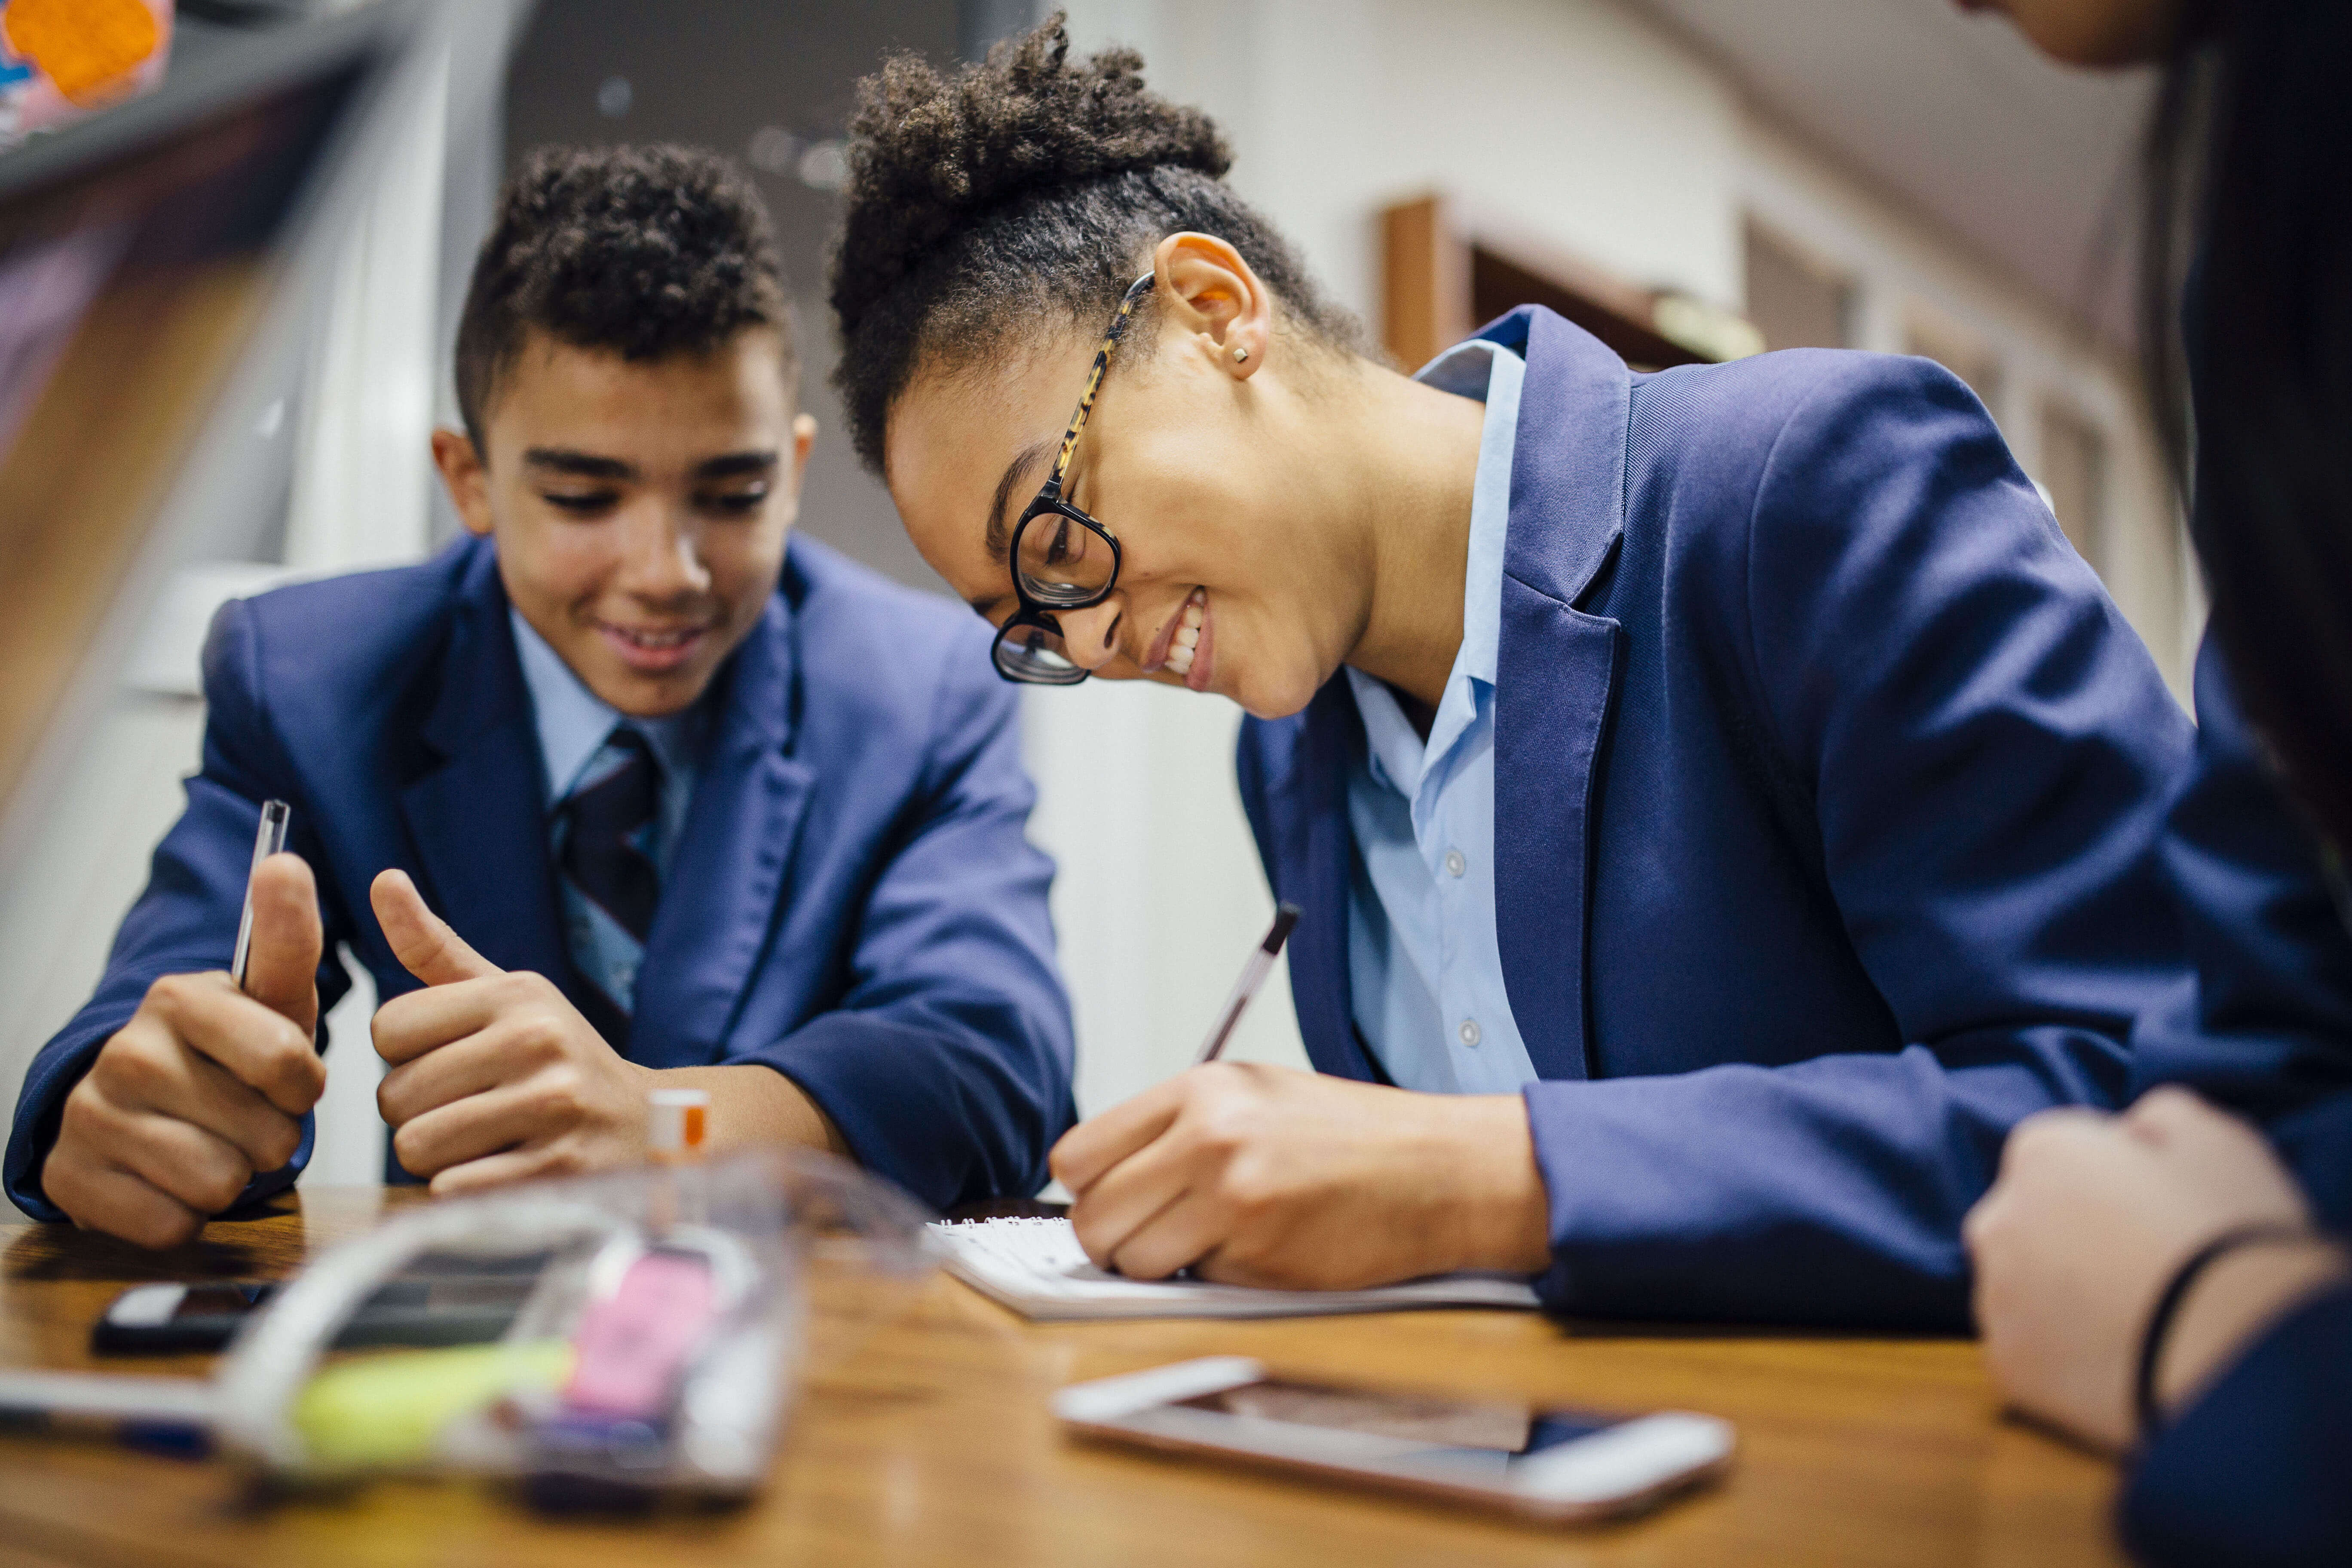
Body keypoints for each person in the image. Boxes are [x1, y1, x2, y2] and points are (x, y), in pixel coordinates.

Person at [826, 18, 2195, 1327]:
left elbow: (2151, 1096)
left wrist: (1490, 1177)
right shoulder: (1289, 752)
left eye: (1055, 542)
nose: (1087, 643)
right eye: (1025, 626)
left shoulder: (1809, 486)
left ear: (1209, 308)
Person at [4, 145, 1076, 1247]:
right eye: (581, 496)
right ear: (468, 480)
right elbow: (162, 998)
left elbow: (993, 1061)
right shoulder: (309, 677)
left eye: (733, 492)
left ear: (794, 471)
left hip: (817, 1340)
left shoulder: (927, 684)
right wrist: (134, 1108)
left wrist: (669, 1124)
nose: (667, 571)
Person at [1960, 0, 2352, 1561]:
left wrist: (2222, 1319)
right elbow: (2265, 1057)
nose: (1113, 633)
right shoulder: (2266, 257)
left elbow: (2085, 1046)